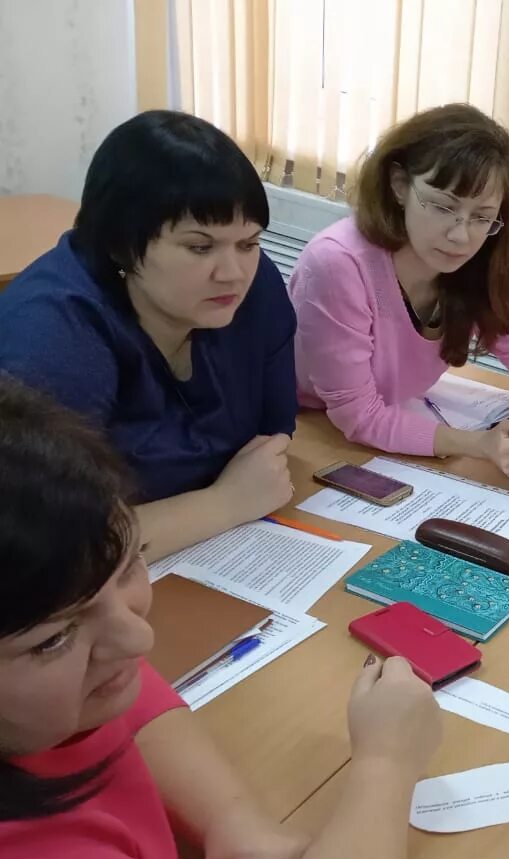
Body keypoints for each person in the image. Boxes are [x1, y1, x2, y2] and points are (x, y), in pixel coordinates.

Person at [0, 379, 441, 859]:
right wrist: (386, 766)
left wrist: (233, 822)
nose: (139, 637)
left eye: (130, 565)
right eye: (56, 638)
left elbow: (127, 696)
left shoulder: (51, 696)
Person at [0, 111, 297, 561]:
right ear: (120, 243)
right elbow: (48, 548)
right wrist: (225, 503)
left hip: (217, 556)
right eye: (200, 247)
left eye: (249, 243)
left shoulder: (254, 289)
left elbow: (272, 444)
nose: (234, 273)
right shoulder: (54, 332)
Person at [291, 103, 509, 483]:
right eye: (443, 207)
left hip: (376, 436)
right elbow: (357, 415)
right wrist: (477, 445)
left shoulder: (476, 268)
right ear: (399, 186)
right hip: (300, 430)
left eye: (481, 217)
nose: (461, 236)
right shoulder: (338, 263)